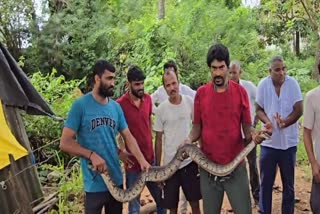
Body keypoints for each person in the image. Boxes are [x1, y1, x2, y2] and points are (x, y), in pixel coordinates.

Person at [59, 60, 150, 214]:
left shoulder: (115, 107)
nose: (113, 83)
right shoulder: (80, 105)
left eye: (114, 78)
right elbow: (65, 143)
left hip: (116, 180)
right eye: (109, 78)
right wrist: (91, 155)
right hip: (94, 184)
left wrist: (141, 160)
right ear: (97, 79)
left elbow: (128, 137)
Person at [184, 44, 266, 214]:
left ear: (228, 68)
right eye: (214, 68)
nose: (218, 73)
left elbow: (247, 127)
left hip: (236, 168)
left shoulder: (241, 92)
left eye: (221, 68)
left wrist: (255, 135)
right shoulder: (201, 93)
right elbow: (196, 129)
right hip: (208, 170)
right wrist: (188, 140)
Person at [255, 56, 303, 214]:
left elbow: (298, 109)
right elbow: (259, 108)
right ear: (270, 71)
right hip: (269, 143)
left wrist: (286, 122)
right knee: (266, 183)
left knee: (288, 185)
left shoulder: (293, 84)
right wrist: (267, 121)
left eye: (283, 68)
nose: (281, 72)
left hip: (288, 144)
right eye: (277, 70)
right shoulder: (263, 85)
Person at [117, 65, 165, 214]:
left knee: (162, 200)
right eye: (137, 84)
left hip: (150, 161)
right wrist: (121, 152)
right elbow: (116, 133)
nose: (141, 87)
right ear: (128, 84)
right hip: (133, 166)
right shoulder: (119, 105)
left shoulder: (148, 99)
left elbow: (148, 121)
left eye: (142, 83)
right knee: (134, 207)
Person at [153, 69, 201, 214]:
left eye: (174, 83)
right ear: (164, 88)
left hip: (189, 162)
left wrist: (196, 146)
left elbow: (198, 128)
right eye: (168, 85)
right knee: (172, 207)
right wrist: (159, 169)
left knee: (195, 204)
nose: (172, 88)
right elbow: (158, 139)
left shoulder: (189, 102)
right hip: (170, 166)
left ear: (179, 83)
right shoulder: (161, 109)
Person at [229, 60, 260, 204]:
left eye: (234, 72)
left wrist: (254, 123)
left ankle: (257, 196)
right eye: (230, 72)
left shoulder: (249, 87)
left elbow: (259, 104)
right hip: (234, 137)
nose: (231, 75)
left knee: (252, 165)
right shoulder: (225, 90)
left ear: (240, 73)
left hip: (248, 136)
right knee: (236, 167)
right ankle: (240, 198)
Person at [302, 58, 320, 214]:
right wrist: (313, 163)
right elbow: (306, 132)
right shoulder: (312, 97)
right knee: (317, 206)